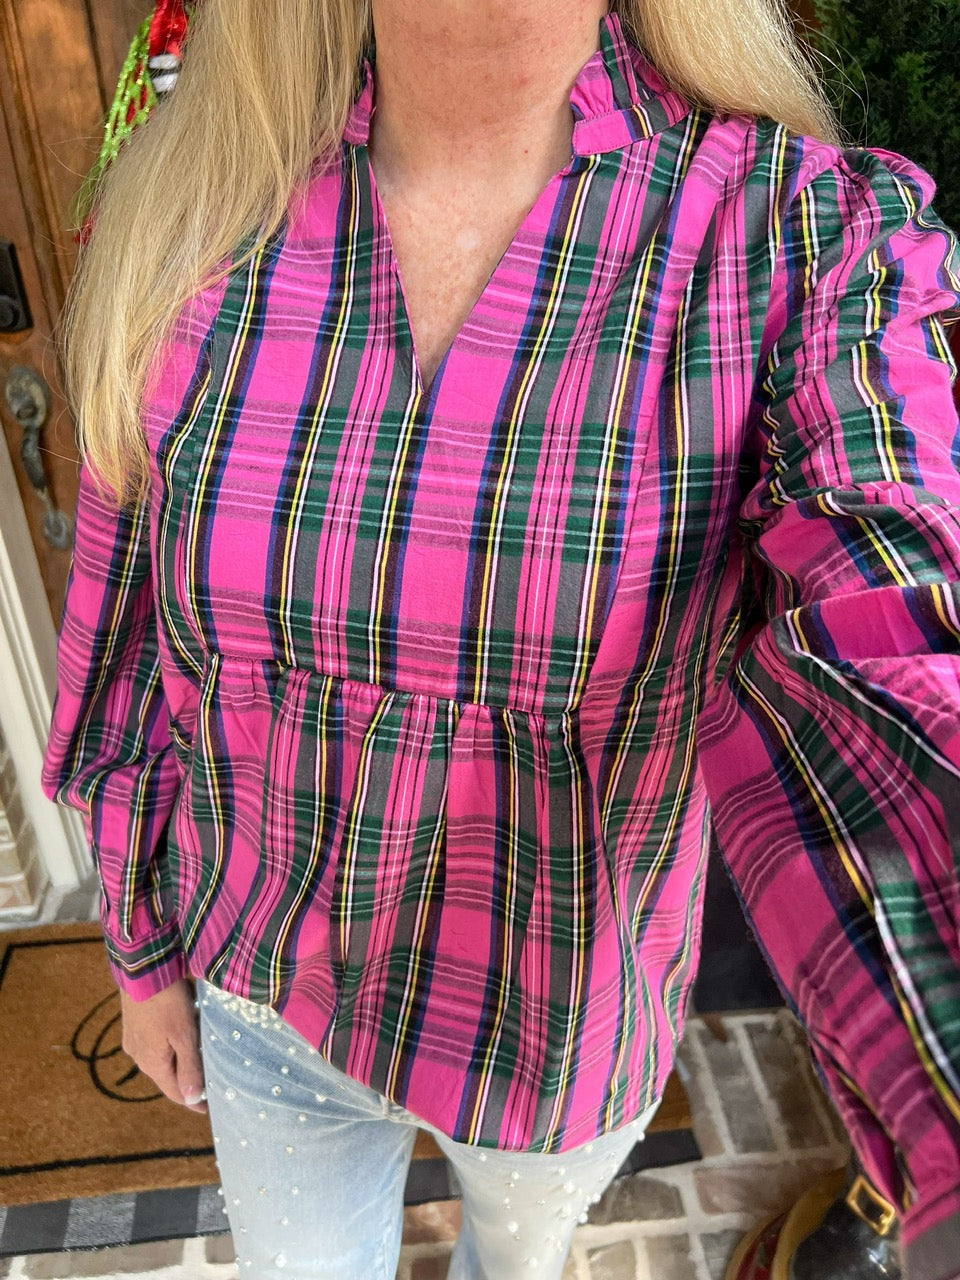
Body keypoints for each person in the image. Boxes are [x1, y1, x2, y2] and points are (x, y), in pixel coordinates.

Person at [41, 0, 960, 1277]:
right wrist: (143, 950)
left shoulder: (794, 241)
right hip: (261, 985)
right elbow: (122, 628)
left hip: (559, 1037)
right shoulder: (195, 209)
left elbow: (890, 622)